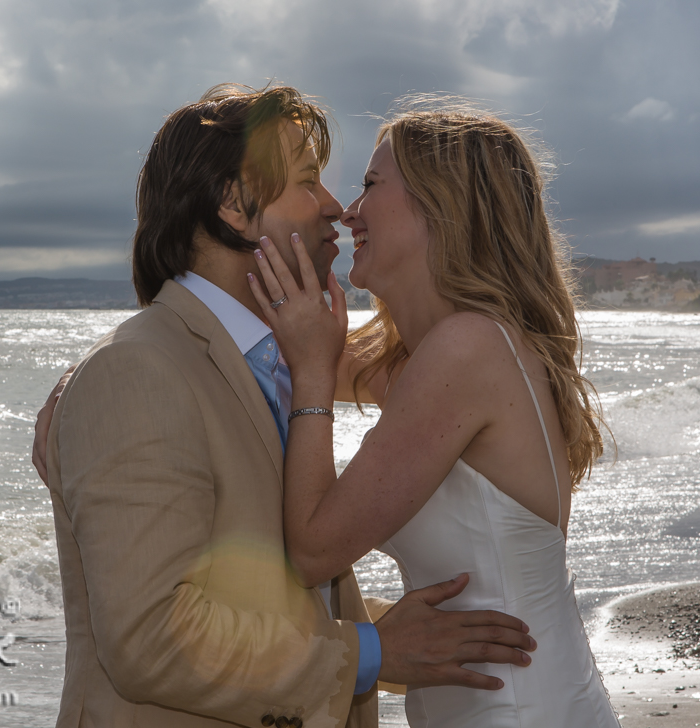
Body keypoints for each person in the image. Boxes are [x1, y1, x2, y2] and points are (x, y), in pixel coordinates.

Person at [34, 84, 537, 728]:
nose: (333, 208)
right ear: (232, 204)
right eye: (308, 182)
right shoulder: (136, 372)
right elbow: (152, 638)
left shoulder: (283, 360)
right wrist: (375, 649)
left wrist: (392, 635)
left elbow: (276, 593)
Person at [246, 102, 619, 727]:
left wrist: (311, 373)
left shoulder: (467, 349)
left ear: (441, 206)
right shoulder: (429, 353)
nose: (349, 210)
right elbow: (255, 352)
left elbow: (312, 549)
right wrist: (93, 381)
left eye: (370, 185)